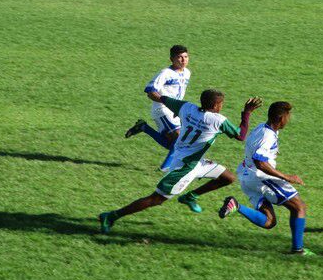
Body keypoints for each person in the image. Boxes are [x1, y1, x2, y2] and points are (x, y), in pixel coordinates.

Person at [100, 90, 262, 233]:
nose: (222, 107)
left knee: (228, 177)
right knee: (156, 199)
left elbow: (163, 99)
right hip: (185, 168)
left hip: (193, 160)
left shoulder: (187, 108)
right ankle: (112, 216)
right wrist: (246, 112)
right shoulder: (218, 120)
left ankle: (190, 196)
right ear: (215, 105)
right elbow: (241, 135)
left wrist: (153, 94)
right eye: (221, 104)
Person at [218, 101, 313, 255]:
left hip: (246, 176)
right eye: (288, 116)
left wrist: (247, 113)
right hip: (260, 176)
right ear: (282, 118)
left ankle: (236, 205)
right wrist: (286, 177)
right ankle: (298, 249)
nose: (289, 119)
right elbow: (260, 162)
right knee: (298, 206)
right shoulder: (267, 135)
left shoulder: (263, 127)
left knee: (269, 221)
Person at [124, 45, 190, 171]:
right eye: (179, 57)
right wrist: (167, 102)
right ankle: (164, 169)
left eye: (186, 57)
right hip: (162, 110)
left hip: (175, 111)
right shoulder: (165, 73)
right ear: (172, 59)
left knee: (173, 144)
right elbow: (150, 91)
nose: (183, 60)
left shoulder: (187, 73)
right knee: (179, 139)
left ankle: (144, 127)